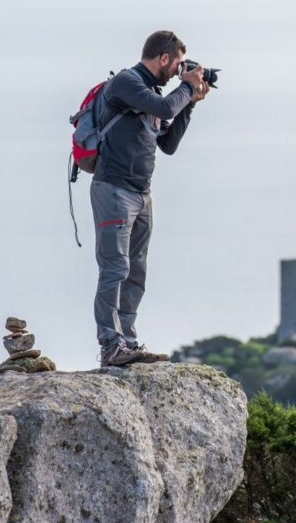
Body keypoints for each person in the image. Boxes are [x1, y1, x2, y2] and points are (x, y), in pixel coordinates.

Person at [91, 30, 209, 366]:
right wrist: (186, 88)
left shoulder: (153, 94)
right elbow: (163, 105)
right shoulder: (127, 84)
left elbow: (167, 144)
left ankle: (127, 341)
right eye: (177, 66)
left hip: (142, 194)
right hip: (113, 189)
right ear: (164, 58)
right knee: (114, 268)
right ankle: (110, 345)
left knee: (136, 271)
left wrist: (191, 104)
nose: (178, 72)